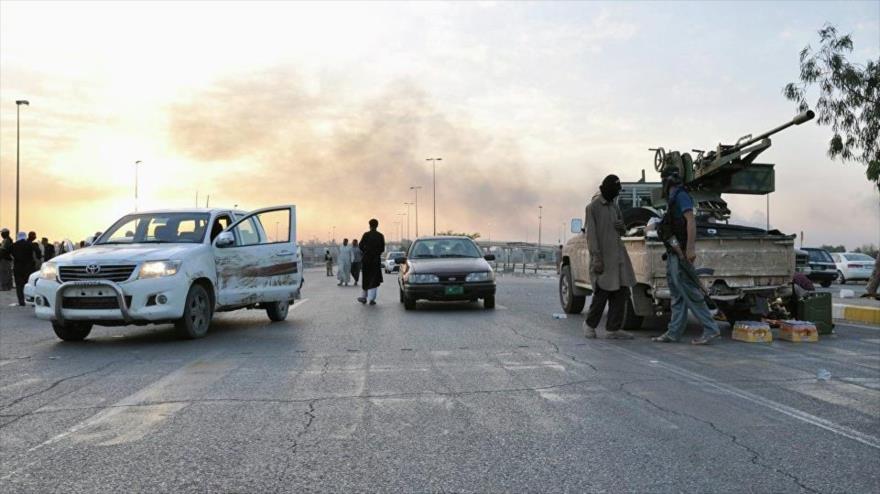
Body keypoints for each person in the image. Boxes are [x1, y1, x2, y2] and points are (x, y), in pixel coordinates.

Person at [652, 169, 721, 345]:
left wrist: (690, 249)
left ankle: (711, 329)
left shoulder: (681, 196)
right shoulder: (674, 197)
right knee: (677, 294)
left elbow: (690, 221)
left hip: (681, 251)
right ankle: (674, 332)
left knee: (690, 292)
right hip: (673, 252)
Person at [583, 175, 637, 340]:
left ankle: (613, 329)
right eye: (615, 190)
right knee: (602, 294)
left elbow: (622, 230)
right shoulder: (593, 208)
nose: (616, 194)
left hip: (619, 258)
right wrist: (596, 258)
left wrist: (622, 228)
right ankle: (589, 326)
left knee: (621, 293)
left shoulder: (614, 206)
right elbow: (591, 236)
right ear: (607, 189)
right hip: (604, 258)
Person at [358, 219, 385, 305]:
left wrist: (366, 252)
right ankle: (372, 299)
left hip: (366, 260)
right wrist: (376, 253)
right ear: (377, 225)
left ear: (369, 225)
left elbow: (360, 245)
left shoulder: (366, 235)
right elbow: (382, 249)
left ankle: (363, 297)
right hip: (375, 261)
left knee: (366, 278)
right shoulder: (380, 236)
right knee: (374, 279)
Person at [11, 232, 37, 306]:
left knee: (19, 286)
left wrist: (13, 257)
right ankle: (32, 302)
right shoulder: (30, 244)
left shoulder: (13, 245)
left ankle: (21, 302)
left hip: (18, 268)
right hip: (29, 268)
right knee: (30, 284)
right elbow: (38, 252)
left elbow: (5, 253)